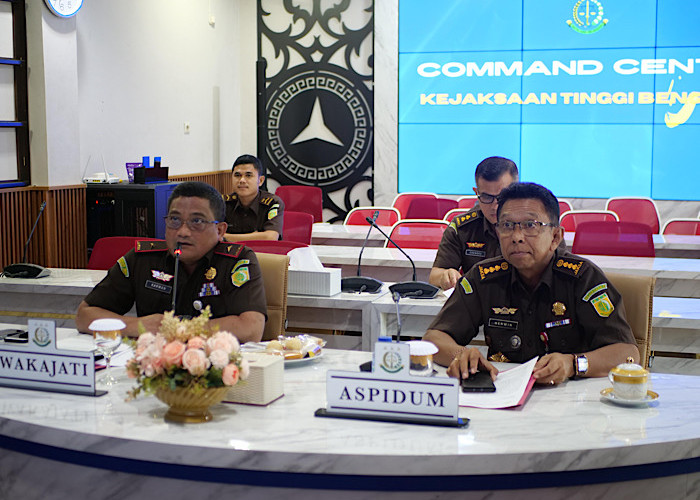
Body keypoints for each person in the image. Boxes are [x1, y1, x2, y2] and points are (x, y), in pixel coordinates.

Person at [424, 182, 639, 385]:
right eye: (507, 225)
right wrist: (460, 354)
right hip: (503, 393)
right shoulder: (483, 277)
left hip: (569, 396)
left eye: (530, 225)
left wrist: (573, 364)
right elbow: (433, 339)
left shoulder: (583, 278)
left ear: (555, 237)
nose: (517, 236)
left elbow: (627, 354)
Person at [76, 181, 267, 342]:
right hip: (154, 366)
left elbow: (251, 328)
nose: (183, 232)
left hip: (217, 366)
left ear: (220, 230)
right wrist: (139, 326)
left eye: (197, 221)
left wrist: (177, 329)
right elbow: (85, 316)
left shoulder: (237, 261)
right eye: (175, 219)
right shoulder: (142, 259)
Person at [429, 156, 518, 290]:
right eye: (487, 197)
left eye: (501, 197)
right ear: (476, 193)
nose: (495, 206)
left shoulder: (535, 225)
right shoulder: (463, 227)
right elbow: (434, 275)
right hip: (478, 299)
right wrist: (445, 276)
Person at [223, 154, 284, 241]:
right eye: (237, 175)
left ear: (260, 180)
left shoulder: (272, 202)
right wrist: (256, 236)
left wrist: (226, 237)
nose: (242, 180)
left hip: (263, 250)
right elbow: (212, 235)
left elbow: (271, 237)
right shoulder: (223, 203)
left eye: (248, 175)